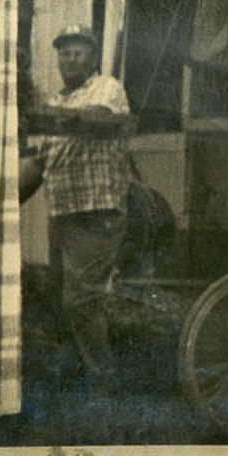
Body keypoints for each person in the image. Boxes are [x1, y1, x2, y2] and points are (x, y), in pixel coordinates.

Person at [37, 25, 133, 400]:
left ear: (92, 58)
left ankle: (106, 383)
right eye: (64, 53)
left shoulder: (107, 87)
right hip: (62, 211)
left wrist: (53, 118)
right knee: (62, 295)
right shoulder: (56, 101)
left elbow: (100, 117)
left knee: (81, 298)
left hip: (97, 211)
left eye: (78, 52)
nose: (70, 59)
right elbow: (41, 161)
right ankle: (77, 370)